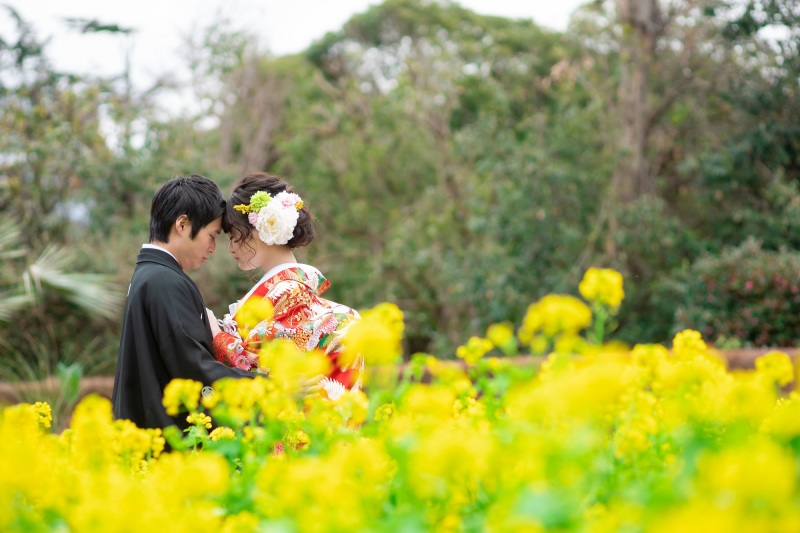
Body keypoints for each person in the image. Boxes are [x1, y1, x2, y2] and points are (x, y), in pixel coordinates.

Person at [112, 174, 253, 431]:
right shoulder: (164, 281)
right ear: (183, 224)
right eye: (211, 235)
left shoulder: (151, 275)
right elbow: (194, 368)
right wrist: (269, 386)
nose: (213, 248)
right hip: (166, 445)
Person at [208, 172, 362, 400]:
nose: (230, 248)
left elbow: (255, 374)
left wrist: (216, 334)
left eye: (233, 236)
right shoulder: (342, 316)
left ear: (257, 230)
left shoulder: (286, 300)